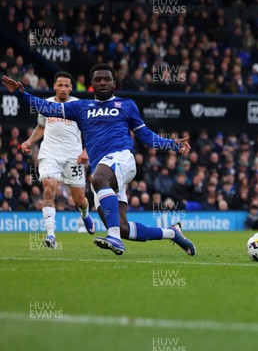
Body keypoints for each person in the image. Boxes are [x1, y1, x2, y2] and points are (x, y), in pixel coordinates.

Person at [2, 64, 195, 256]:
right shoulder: (81, 107)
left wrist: (172, 144)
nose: (103, 82)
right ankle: (172, 232)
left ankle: (113, 238)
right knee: (122, 227)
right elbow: (47, 107)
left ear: (114, 83)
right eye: (98, 79)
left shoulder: (127, 104)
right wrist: (21, 93)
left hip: (122, 158)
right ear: (92, 84)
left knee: (98, 180)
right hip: (102, 168)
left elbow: (145, 135)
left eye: (107, 79)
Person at [20, 72, 95, 248]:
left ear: (71, 88)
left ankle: (84, 214)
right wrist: (29, 141)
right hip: (50, 154)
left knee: (79, 200)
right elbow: (41, 127)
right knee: (48, 187)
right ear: (54, 86)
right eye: (60, 85)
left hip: (73, 157)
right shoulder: (46, 104)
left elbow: (91, 132)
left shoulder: (79, 105)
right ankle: (51, 236)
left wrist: (86, 151)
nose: (63, 89)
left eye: (66, 86)